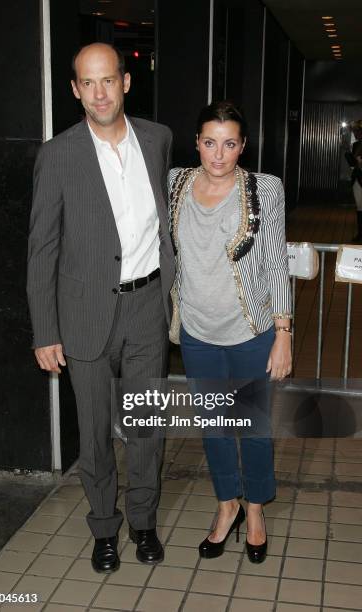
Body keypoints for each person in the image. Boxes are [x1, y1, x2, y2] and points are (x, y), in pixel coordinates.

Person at [27, 43, 174, 573]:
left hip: (146, 307)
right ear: (74, 89)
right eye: (88, 83)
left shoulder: (157, 140)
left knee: (146, 427)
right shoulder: (58, 154)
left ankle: (144, 523)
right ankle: (105, 529)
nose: (99, 93)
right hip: (83, 315)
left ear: (126, 82)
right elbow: (42, 249)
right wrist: (45, 330)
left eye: (108, 80)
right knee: (93, 435)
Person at [168, 100, 292, 564]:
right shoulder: (176, 182)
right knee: (215, 429)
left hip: (250, 329)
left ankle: (256, 510)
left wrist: (284, 332)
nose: (217, 154)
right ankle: (227, 507)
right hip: (198, 332)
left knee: (253, 429)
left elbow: (277, 260)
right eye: (208, 142)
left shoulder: (265, 189)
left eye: (229, 144)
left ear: (242, 147)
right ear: (196, 142)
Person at [345, 120, 362, 242]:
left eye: (357, 131)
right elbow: (353, 164)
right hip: (358, 178)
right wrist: (347, 152)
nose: (355, 133)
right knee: (360, 208)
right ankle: (360, 234)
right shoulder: (356, 145)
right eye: (355, 131)